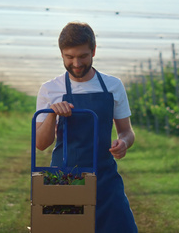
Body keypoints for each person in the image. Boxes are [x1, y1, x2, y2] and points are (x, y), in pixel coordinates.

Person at [35, 21, 138, 233]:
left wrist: (123, 143)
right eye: (69, 57)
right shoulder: (50, 89)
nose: (76, 63)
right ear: (61, 54)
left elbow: (127, 131)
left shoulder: (113, 86)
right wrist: (53, 113)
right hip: (65, 178)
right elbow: (41, 144)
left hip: (105, 176)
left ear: (94, 50)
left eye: (82, 56)